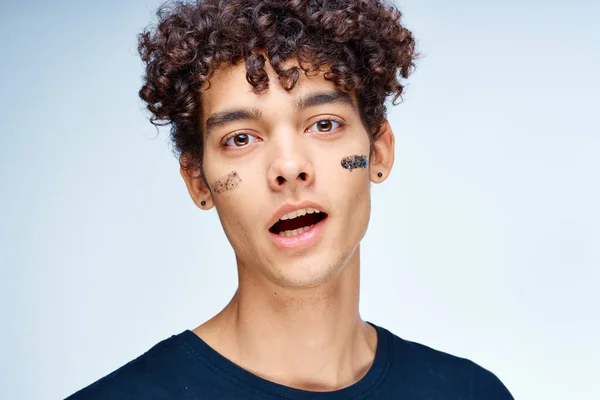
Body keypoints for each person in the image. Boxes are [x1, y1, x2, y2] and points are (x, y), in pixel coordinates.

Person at [67, 0, 513, 398]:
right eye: (241, 137)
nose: (288, 167)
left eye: (323, 124)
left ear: (378, 150)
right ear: (198, 181)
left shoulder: (471, 392)